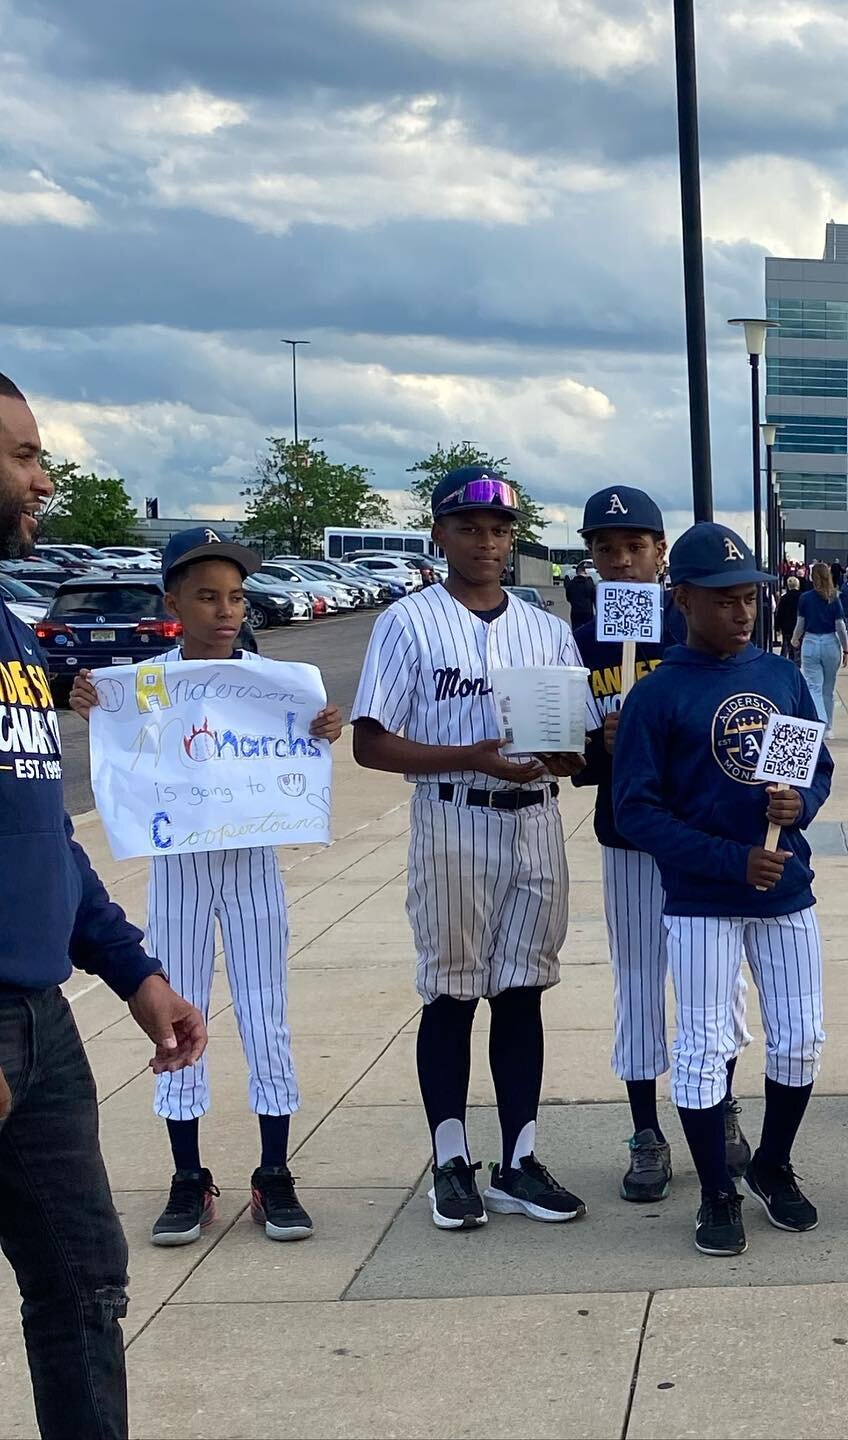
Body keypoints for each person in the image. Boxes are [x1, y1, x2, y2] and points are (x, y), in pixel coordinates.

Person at [0, 372, 208, 1440]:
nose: (42, 478)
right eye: (24, 456)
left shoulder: (13, 636)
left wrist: (136, 973)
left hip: (40, 1024)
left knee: (84, 1286)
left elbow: (43, 837)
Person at [69, 529, 342, 1247]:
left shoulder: (267, 685)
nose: (226, 611)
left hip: (252, 864)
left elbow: (295, 750)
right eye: (208, 596)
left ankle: (274, 1171)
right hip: (181, 870)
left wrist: (319, 729)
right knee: (175, 1013)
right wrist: (91, 704)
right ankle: (188, 1175)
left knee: (265, 1010)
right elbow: (125, 748)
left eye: (236, 596)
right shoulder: (147, 683)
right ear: (175, 603)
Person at [352, 465, 588, 1232]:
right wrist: (469, 756)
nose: (487, 541)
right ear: (440, 535)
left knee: (524, 989)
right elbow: (371, 745)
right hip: (455, 816)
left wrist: (570, 754)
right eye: (469, 527)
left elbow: (572, 743)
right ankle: (450, 1162)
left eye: (499, 529)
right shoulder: (409, 621)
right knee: (453, 992)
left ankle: (518, 1160)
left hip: (536, 818)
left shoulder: (546, 627)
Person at [613, 523, 832, 1258]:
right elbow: (634, 811)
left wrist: (798, 808)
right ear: (683, 601)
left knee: (801, 1039)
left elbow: (815, 767)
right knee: (704, 1046)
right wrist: (730, 860)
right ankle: (715, 1188)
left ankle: (772, 1162)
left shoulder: (779, 675)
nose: (742, 614)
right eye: (725, 602)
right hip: (704, 898)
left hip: (785, 891)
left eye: (750, 600)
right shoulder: (658, 695)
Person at [569, 485, 751, 1203]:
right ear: (590, 558)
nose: (620, 561)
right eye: (606, 549)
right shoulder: (582, 643)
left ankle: (723, 1106)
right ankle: (646, 1129)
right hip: (629, 840)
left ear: (659, 555)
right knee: (639, 984)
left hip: (703, 837)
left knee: (718, 989)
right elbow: (567, 762)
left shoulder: (695, 634)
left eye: (634, 547)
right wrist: (597, 742)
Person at [792, 561, 848, 736]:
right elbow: (840, 626)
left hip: (810, 641)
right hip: (831, 642)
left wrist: (795, 639)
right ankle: (828, 728)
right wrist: (846, 648)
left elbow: (800, 623)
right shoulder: (834, 597)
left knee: (813, 686)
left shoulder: (805, 598)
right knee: (828, 689)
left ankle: (820, 721)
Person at [775, 576, 801, 663]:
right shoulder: (802, 597)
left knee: (790, 650)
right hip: (799, 626)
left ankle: (791, 663)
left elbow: (780, 614)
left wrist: (777, 627)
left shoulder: (784, 598)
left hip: (787, 628)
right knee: (798, 650)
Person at [565, 560, 596, 630]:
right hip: (588, 612)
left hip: (575, 612)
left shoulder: (571, 584)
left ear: (576, 573)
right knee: (588, 631)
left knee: (576, 630)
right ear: (584, 572)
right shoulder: (589, 583)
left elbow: (568, 598)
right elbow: (594, 597)